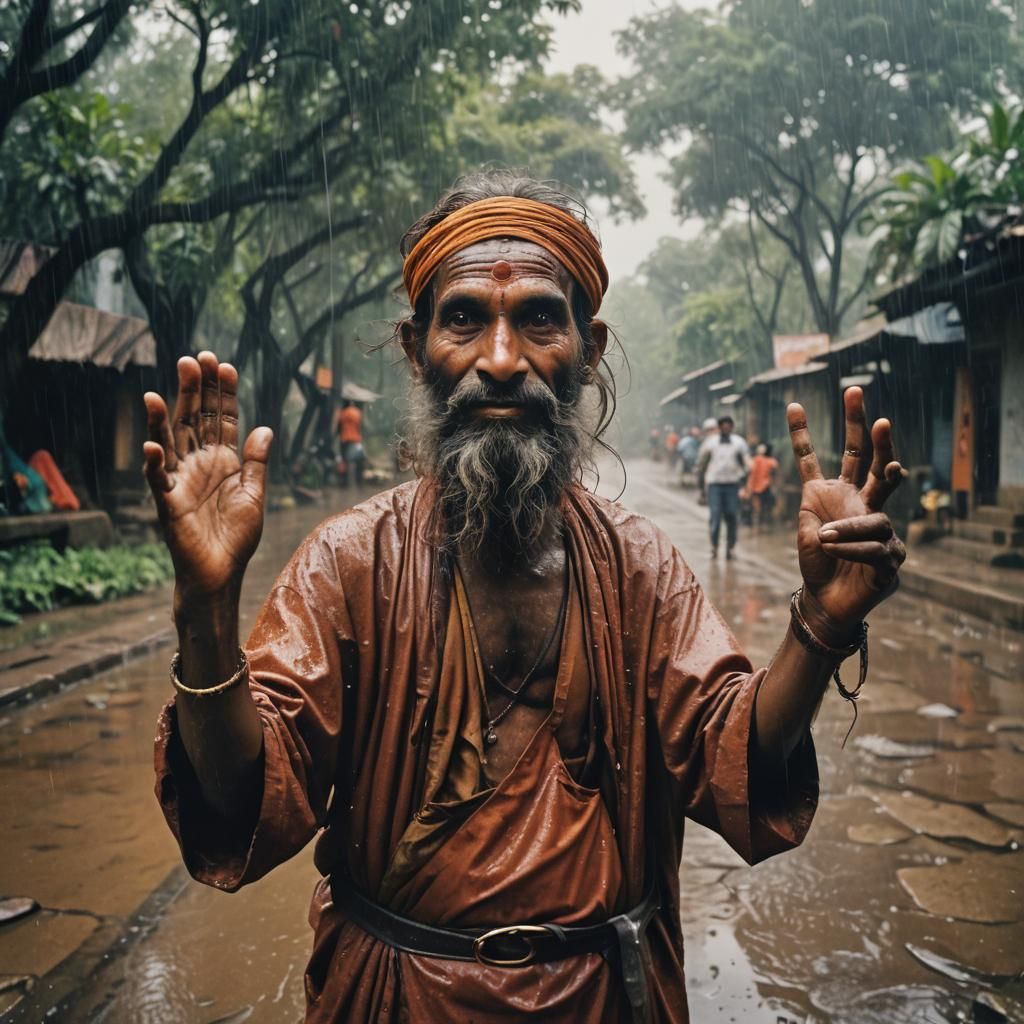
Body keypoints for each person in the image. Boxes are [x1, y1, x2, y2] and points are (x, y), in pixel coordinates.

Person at [142, 171, 907, 1024]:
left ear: (587, 345)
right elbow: (242, 800)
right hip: (394, 1000)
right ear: (416, 347)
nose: (500, 361)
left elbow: (732, 760)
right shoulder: (347, 562)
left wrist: (823, 623)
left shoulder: (641, 565)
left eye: (539, 317)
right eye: (465, 317)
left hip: (602, 1000)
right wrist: (204, 613)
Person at [697, 415, 750, 559]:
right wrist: (701, 489)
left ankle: (730, 548)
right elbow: (702, 465)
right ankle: (714, 547)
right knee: (715, 517)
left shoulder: (739, 443)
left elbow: (747, 464)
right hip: (714, 485)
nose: (726, 427)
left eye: (729, 425)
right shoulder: (710, 443)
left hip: (733, 485)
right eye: (723, 425)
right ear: (719, 427)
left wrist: (745, 485)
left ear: (732, 427)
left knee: (732, 516)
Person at [746, 442, 780, 531]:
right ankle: (763, 524)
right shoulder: (768, 461)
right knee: (764, 507)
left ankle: (760, 525)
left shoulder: (758, 460)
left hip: (761, 487)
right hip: (762, 486)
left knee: (760, 507)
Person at [335, 399, 366, 485]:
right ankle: (359, 480)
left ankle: (344, 482)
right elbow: (360, 427)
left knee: (344, 461)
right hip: (356, 439)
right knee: (359, 460)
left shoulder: (342, 413)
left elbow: (339, 428)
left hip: (345, 439)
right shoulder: (357, 413)